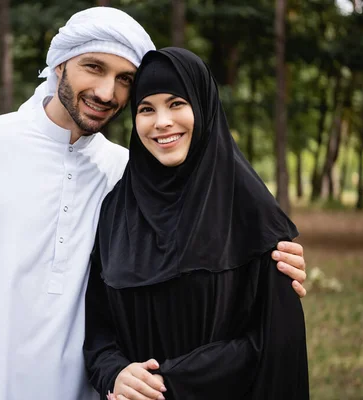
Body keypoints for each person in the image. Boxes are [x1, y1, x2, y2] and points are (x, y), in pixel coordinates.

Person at [0, 7, 307, 400]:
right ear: (60, 63)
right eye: (94, 67)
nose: (106, 91)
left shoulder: (125, 174)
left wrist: (270, 263)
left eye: (124, 79)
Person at [83, 48, 309, 400]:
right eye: (146, 109)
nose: (161, 122)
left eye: (176, 103)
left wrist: (171, 382)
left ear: (203, 107)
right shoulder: (116, 210)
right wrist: (116, 373)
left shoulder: (250, 209)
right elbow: (99, 332)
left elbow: (276, 344)